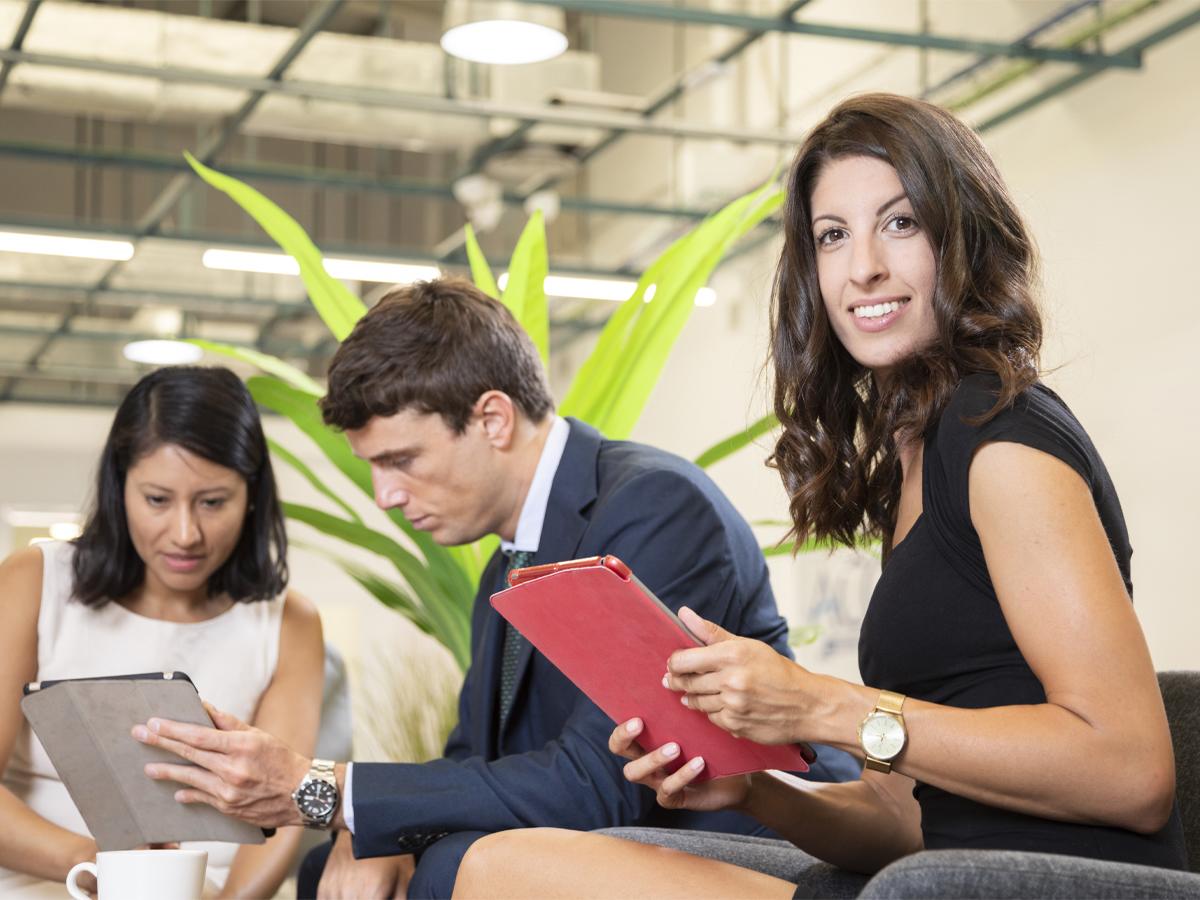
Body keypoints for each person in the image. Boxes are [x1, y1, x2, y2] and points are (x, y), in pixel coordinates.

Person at [446, 92, 1190, 898]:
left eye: (900, 223)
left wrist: (822, 707)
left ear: (964, 237)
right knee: (530, 860)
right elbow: (906, 825)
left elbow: (1131, 770)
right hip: (933, 874)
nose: (862, 265)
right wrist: (751, 787)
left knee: (507, 869)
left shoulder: (1001, 441)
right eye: (833, 236)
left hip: (1027, 888)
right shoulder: (922, 451)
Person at [130, 277, 860, 899]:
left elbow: (598, 780)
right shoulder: (505, 561)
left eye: (403, 460)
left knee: (446, 865)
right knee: (343, 864)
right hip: (611, 830)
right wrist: (376, 827)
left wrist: (329, 789)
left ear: (492, 418)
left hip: (755, 838)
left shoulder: (653, 506)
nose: (385, 495)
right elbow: (471, 757)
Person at [0, 366, 324, 899]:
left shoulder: (289, 623)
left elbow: (280, 813)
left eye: (213, 502)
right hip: (44, 884)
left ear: (252, 495)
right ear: (119, 485)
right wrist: (100, 865)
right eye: (157, 500)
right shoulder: (34, 582)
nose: (185, 533)